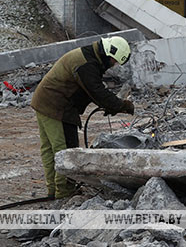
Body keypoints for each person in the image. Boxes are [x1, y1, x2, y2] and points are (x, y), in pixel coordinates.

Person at [30, 36, 135, 199]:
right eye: (114, 61)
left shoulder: (89, 55)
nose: (113, 65)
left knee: (50, 149)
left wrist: (108, 105)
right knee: (65, 150)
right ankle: (64, 192)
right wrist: (123, 105)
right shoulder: (87, 64)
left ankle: (54, 190)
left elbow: (88, 89)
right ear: (109, 53)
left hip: (44, 101)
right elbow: (96, 91)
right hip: (56, 107)